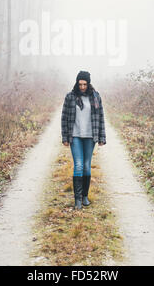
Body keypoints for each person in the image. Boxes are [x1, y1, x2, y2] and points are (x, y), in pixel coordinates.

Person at [61, 70, 106, 209]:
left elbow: (101, 117)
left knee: (87, 166)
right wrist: (65, 137)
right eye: (80, 84)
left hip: (90, 137)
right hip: (75, 136)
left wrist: (102, 137)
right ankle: (77, 200)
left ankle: (85, 196)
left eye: (84, 84)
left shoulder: (95, 97)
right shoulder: (70, 97)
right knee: (79, 165)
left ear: (88, 83)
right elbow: (64, 118)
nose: (82, 87)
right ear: (77, 83)